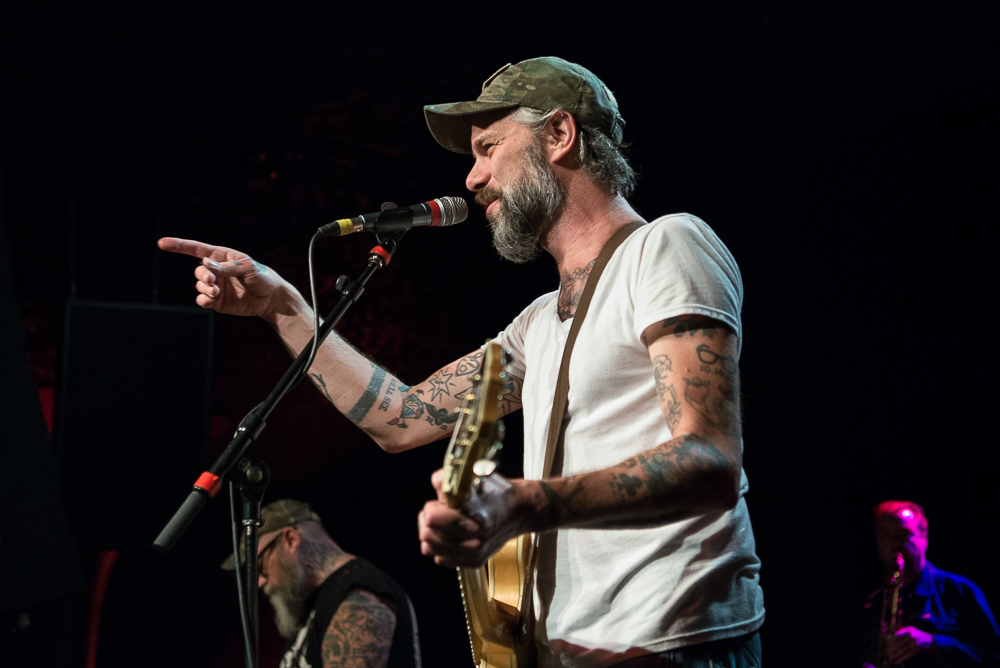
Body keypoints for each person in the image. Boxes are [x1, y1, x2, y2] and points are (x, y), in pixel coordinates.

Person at [162, 56, 764, 667]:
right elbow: (402, 417)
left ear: (560, 135)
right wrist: (283, 307)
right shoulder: (538, 322)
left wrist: (522, 503)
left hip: (678, 644)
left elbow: (711, 461)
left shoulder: (666, 245)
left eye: (488, 147)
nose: (472, 178)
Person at [221, 499, 421, 668]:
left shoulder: (359, 596)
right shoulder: (311, 608)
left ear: (290, 539)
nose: (260, 581)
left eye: (260, 566)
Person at [859, 500, 1000, 667]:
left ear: (924, 537)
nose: (894, 544)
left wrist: (935, 644)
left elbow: (994, 657)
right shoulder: (873, 603)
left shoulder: (961, 592)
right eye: (885, 535)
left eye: (903, 534)